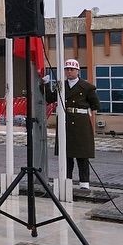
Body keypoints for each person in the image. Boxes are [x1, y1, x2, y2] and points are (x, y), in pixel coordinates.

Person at [42, 59, 99, 189]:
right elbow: (50, 98)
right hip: (65, 121)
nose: (69, 71)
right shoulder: (61, 85)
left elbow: (95, 105)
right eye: (67, 69)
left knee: (82, 156)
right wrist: (45, 84)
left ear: (78, 71)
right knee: (66, 155)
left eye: (72, 69)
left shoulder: (86, 87)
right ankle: (66, 182)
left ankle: (84, 184)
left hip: (81, 123)